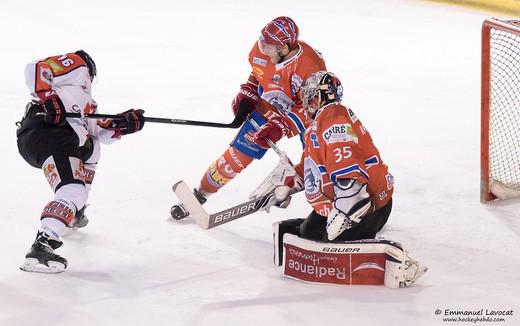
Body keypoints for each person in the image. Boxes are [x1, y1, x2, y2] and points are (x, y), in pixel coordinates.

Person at [170, 16, 327, 219]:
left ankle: (329, 203)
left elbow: (313, 106)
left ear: (286, 47)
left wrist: (283, 126)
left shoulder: (311, 65)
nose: (264, 49)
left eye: (270, 46)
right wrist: (249, 91)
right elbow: (259, 74)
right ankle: (199, 195)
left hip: (306, 112)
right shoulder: (260, 50)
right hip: (271, 103)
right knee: (238, 155)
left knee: (320, 153)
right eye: (263, 43)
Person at [17, 50, 145, 273]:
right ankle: (42, 246)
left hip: (46, 139)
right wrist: (49, 99)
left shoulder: (87, 105)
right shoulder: (78, 65)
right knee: (73, 190)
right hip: (47, 130)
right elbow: (36, 68)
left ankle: (73, 211)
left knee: (91, 147)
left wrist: (124, 123)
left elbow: (101, 132)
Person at [255, 71, 394, 243]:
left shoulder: (334, 115)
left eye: (310, 96)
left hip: (366, 204)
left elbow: (346, 160)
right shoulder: (319, 123)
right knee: (308, 236)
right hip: (339, 201)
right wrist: (286, 183)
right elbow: (313, 166)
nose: (306, 101)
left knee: (330, 242)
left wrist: (348, 201)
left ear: (321, 96)